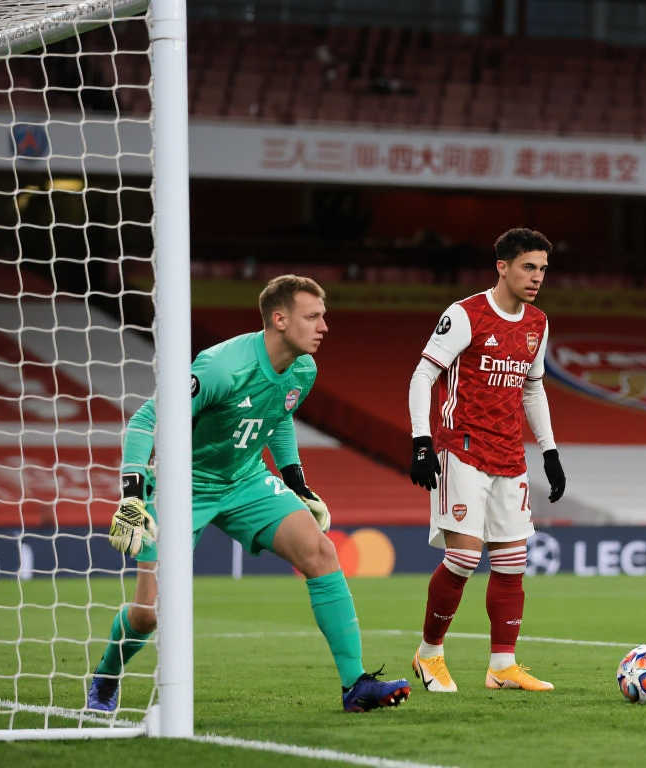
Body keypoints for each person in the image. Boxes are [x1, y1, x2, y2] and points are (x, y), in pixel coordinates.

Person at [89, 275, 410, 713]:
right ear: (280, 320)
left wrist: (297, 483)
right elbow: (147, 420)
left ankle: (355, 685)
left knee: (320, 552)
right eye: (312, 317)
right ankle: (107, 675)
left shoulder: (303, 369)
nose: (324, 327)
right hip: (182, 485)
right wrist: (130, 496)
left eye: (323, 316)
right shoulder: (221, 368)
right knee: (148, 615)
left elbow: (278, 414)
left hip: (245, 479)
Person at [407, 227, 567, 693]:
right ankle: (429, 654)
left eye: (542, 269)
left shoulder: (538, 322)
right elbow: (422, 376)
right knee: (462, 558)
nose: (537, 277)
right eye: (528, 267)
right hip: (462, 448)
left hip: (509, 456)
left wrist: (550, 450)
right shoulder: (465, 315)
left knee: (512, 562)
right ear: (502, 267)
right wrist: (421, 441)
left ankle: (502, 666)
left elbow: (532, 388)